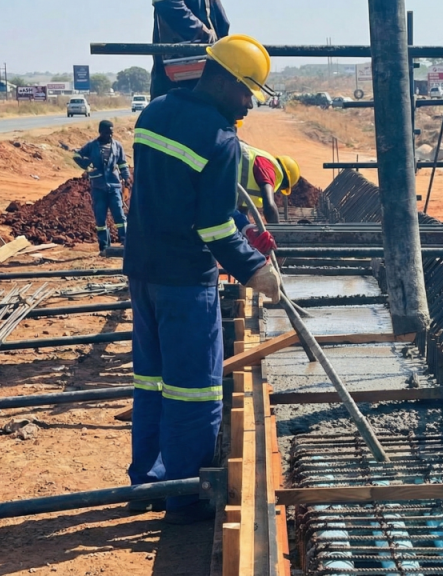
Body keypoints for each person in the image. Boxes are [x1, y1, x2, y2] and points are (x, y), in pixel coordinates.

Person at [123, 34, 281, 524]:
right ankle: (185, 495)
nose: (250, 104)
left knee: (151, 381)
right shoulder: (219, 137)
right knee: (194, 388)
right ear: (227, 80)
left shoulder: (155, 112)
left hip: (143, 270)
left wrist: (239, 232)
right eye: (248, 92)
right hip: (185, 280)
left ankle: (147, 481)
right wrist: (255, 270)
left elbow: (176, 196)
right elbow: (210, 226)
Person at [151, 0, 230, 99]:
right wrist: (202, 32)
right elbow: (167, 3)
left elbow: (222, 24)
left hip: (201, 75)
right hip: (180, 79)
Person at [74, 120, 130, 255]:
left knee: (119, 216)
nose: (109, 136)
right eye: (106, 133)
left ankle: (126, 243)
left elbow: (122, 163)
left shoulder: (117, 146)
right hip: (98, 187)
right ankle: (104, 246)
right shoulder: (92, 146)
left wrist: (126, 177)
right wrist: (88, 166)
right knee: (100, 219)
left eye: (111, 133)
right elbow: (76, 155)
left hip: (114, 186)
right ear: (100, 132)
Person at [236, 142, 300, 225]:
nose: (277, 190)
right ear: (284, 183)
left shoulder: (262, 165)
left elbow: (242, 209)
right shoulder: (269, 169)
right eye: (281, 189)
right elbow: (269, 205)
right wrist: (278, 232)